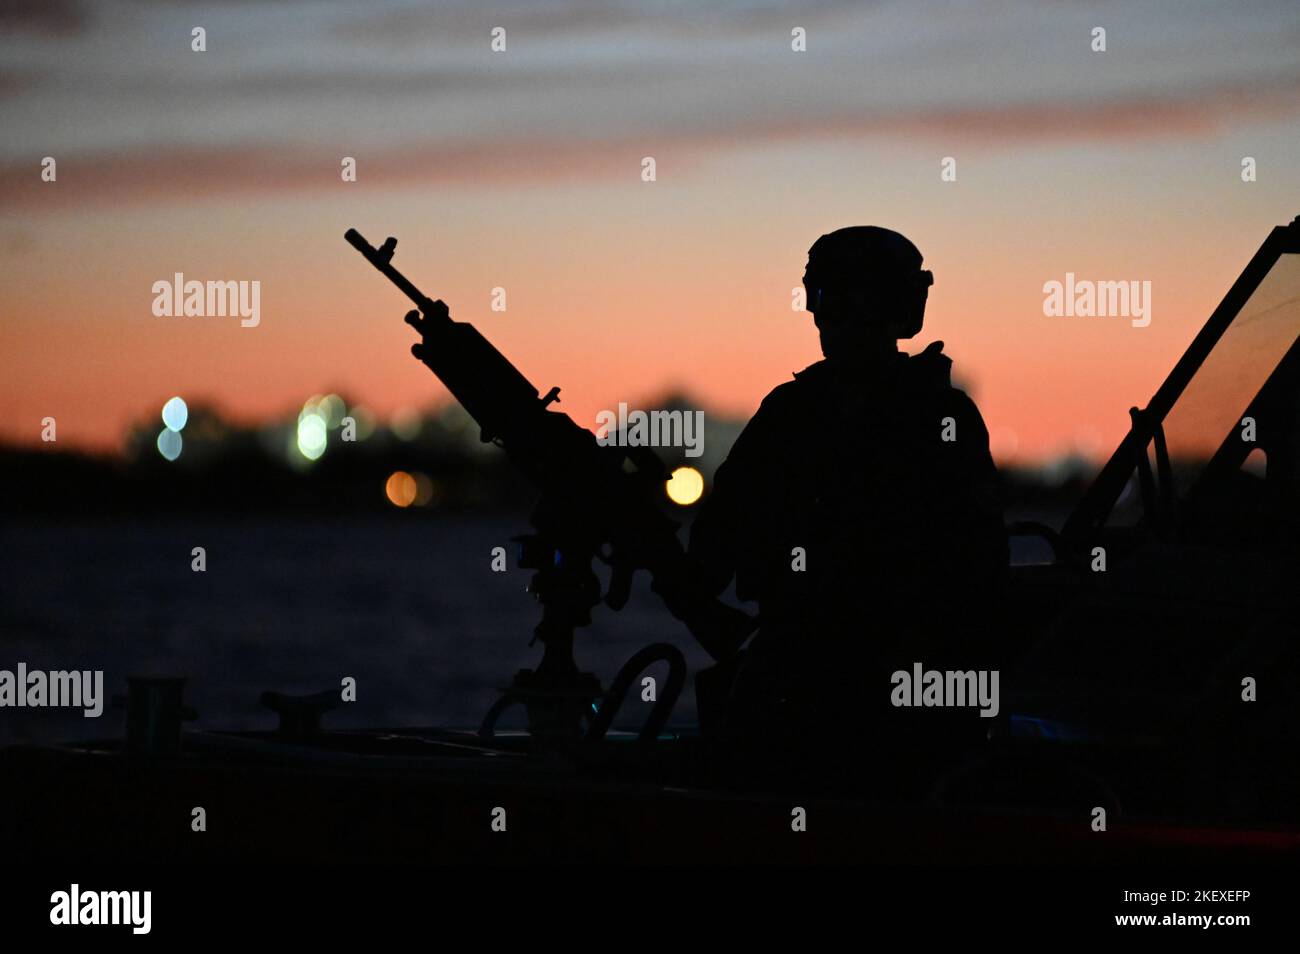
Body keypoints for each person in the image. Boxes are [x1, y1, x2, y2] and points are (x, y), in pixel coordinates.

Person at [687, 226, 1007, 786]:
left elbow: (711, 553)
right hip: (906, 699)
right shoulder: (940, 415)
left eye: (829, 298)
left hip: (822, 695)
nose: (822, 315)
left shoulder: (795, 414)